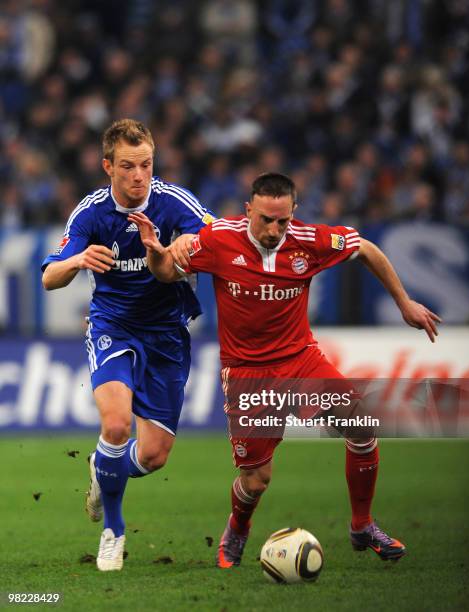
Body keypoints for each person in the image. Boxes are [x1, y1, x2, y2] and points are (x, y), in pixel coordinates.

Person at [128, 172, 441, 567]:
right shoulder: (218, 238)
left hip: (300, 360)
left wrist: (404, 303)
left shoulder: (311, 241)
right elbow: (166, 271)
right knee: (256, 480)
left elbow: (367, 249)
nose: (274, 230)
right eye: (265, 220)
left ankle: (362, 526)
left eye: (283, 221)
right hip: (247, 373)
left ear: (294, 212)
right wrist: (157, 251)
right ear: (249, 211)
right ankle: (238, 528)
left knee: (362, 426)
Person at [41, 118, 214, 571]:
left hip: (167, 335)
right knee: (117, 426)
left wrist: (191, 245)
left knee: (153, 456)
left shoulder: (173, 201)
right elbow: (48, 277)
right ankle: (113, 532)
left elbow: (214, 238)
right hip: (112, 327)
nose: (140, 176)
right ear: (107, 167)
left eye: (146, 165)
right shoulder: (91, 213)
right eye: (128, 166)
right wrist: (78, 259)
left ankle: (103, 470)